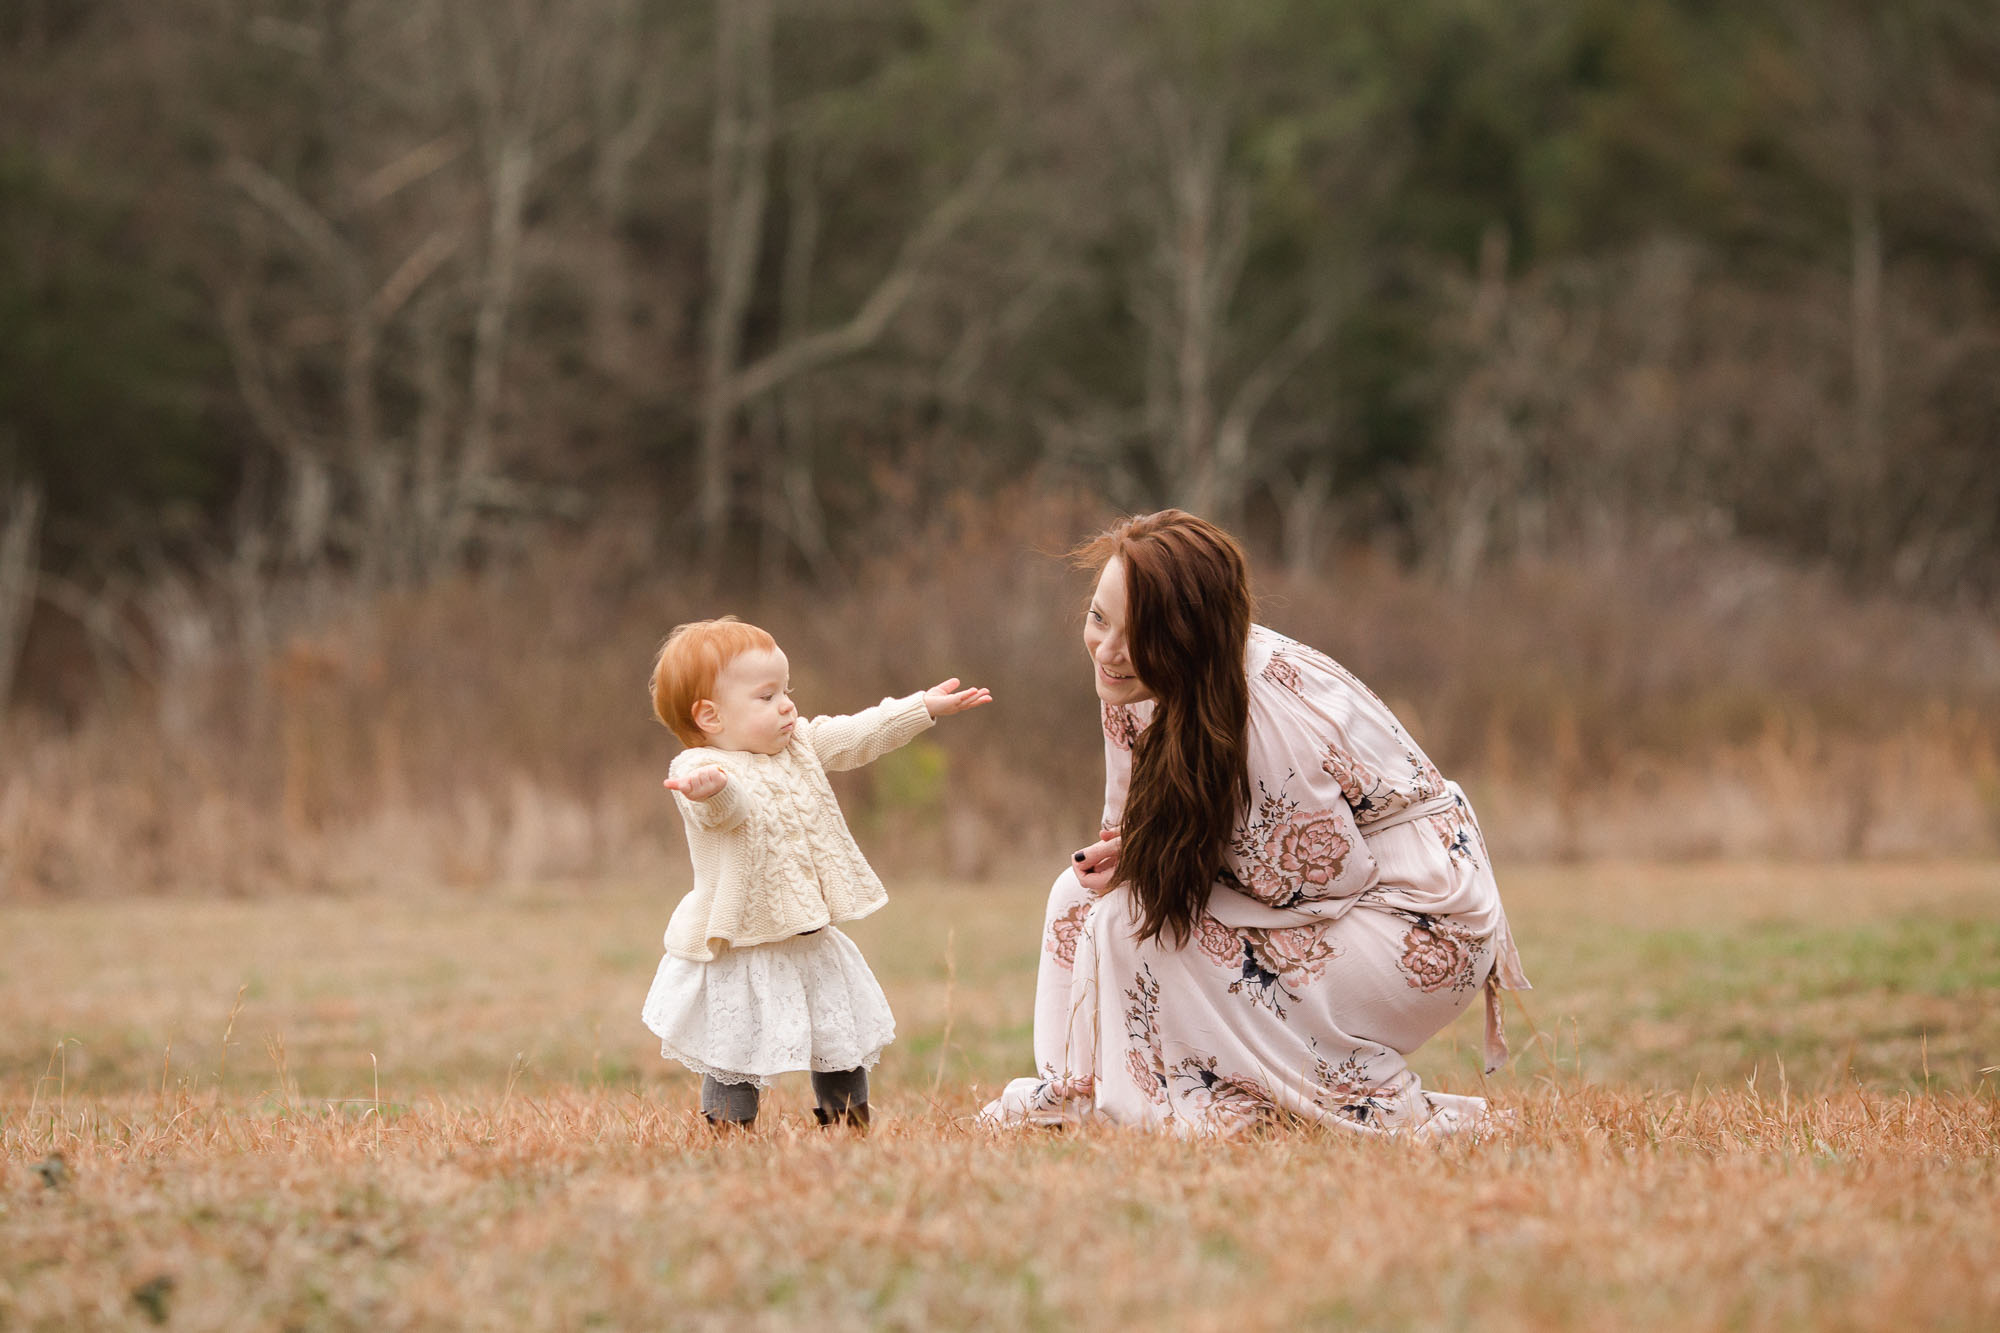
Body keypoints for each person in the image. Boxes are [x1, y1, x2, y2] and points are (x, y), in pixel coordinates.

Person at [980, 510, 1528, 1136]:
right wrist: (1134, 857)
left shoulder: (1265, 710)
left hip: (1418, 917)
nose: (1108, 651)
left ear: (1188, 638)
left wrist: (1164, 873)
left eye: (1139, 635)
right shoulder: (1135, 687)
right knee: (1079, 897)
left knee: (1132, 924)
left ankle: (1340, 1110)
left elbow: (1328, 884)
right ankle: (1077, 1091)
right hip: (1325, 905)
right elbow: (1137, 831)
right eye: (1099, 618)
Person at [641, 616, 991, 1129]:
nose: (786, 704)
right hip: (746, 944)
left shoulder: (799, 745)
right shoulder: (696, 769)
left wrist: (921, 708)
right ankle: (729, 1130)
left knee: (838, 1036)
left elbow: (856, 733)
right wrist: (711, 791)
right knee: (733, 1047)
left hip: (809, 934)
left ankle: (849, 1122)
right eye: (766, 696)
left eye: (787, 690)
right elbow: (726, 811)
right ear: (711, 716)